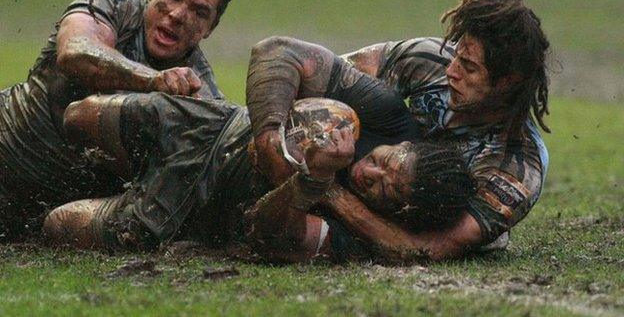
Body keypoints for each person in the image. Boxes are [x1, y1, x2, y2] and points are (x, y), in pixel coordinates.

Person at [246, 0, 550, 260]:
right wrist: (272, 140)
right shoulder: (429, 60)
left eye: (469, 68)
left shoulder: (516, 167)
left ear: (508, 81)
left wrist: (323, 186)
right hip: (357, 175)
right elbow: (320, 86)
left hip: (392, 215)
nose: (451, 70)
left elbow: (425, 249)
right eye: (457, 54)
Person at [42, 78, 474, 263]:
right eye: (384, 162)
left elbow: (268, 234)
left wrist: (314, 182)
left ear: (399, 212)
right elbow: (279, 52)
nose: (371, 174)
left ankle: (127, 192)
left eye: (387, 191)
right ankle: (114, 175)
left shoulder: (355, 238)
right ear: (402, 143)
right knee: (78, 116)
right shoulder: (383, 113)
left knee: (57, 224)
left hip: (189, 205)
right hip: (210, 125)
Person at [0, 0, 233, 240]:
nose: (178, 15)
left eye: (199, 12)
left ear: (210, 28)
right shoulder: (115, 5)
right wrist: (153, 80)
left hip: (42, 217)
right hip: (9, 147)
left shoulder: (201, 92)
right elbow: (76, 52)